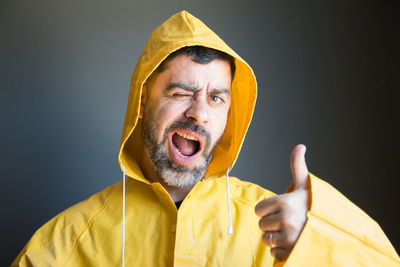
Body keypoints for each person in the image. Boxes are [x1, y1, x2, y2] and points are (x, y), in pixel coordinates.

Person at [12, 10, 399, 267]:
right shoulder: (63, 244)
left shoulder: (276, 227)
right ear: (143, 101)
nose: (198, 113)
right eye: (181, 92)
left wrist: (314, 240)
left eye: (216, 98)